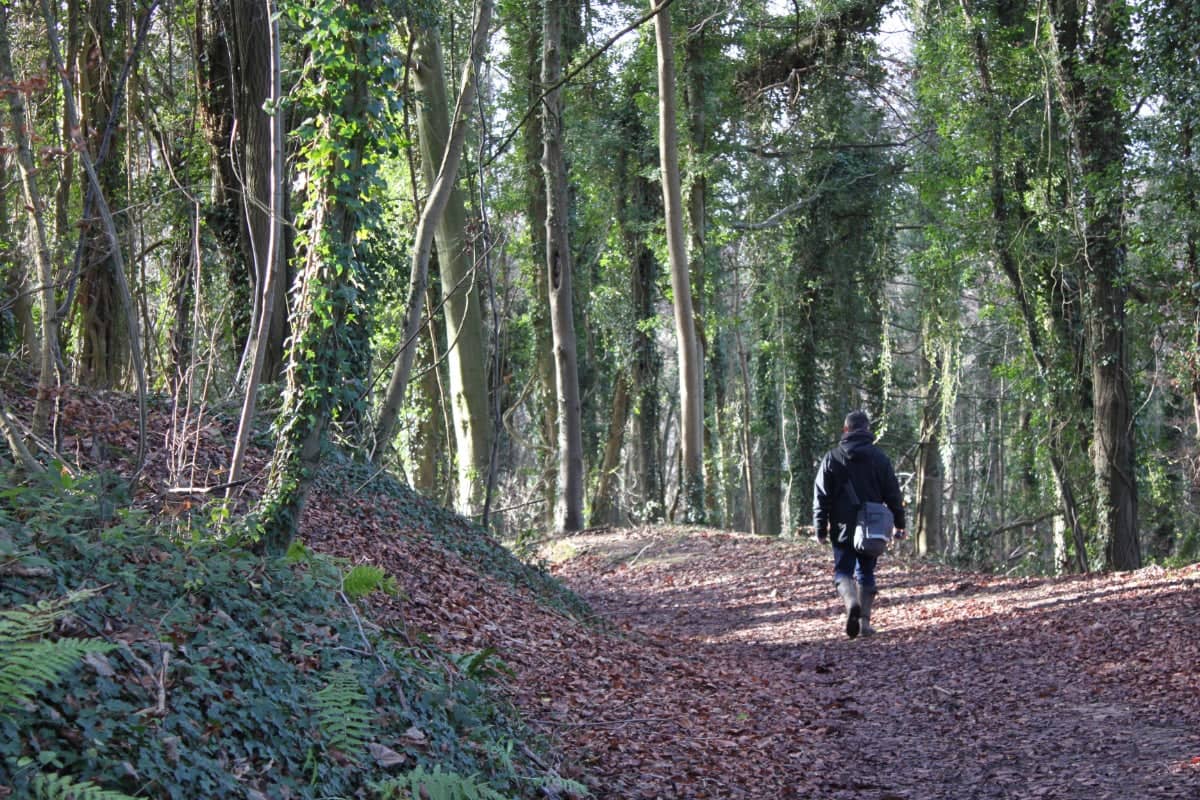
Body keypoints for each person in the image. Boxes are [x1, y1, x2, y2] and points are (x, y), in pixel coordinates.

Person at [812, 410, 906, 638]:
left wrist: (820, 526)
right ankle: (864, 623)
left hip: (842, 525)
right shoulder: (880, 458)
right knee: (866, 571)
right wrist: (900, 523)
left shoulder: (831, 458)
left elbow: (821, 495)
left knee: (843, 570)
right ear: (867, 430)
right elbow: (893, 493)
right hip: (871, 525)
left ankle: (851, 601)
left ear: (846, 430)